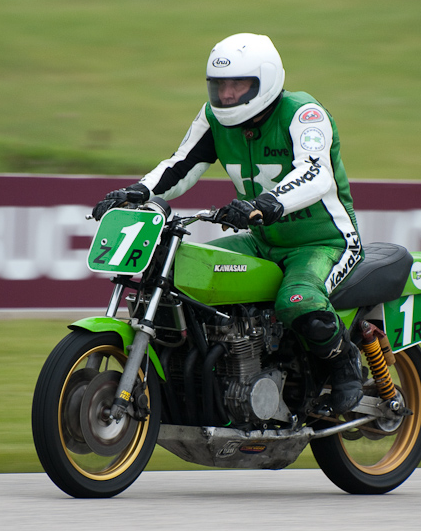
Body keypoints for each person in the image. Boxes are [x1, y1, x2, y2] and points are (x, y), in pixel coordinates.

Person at [92, 33, 364, 413]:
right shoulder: (213, 117)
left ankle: (345, 364)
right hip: (262, 240)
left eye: (238, 84)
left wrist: (267, 203)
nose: (227, 94)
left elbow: (315, 173)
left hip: (324, 242)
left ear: (265, 81)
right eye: (219, 85)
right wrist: (137, 191)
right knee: (187, 274)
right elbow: (180, 165)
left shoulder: (304, 113)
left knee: (298, 301)